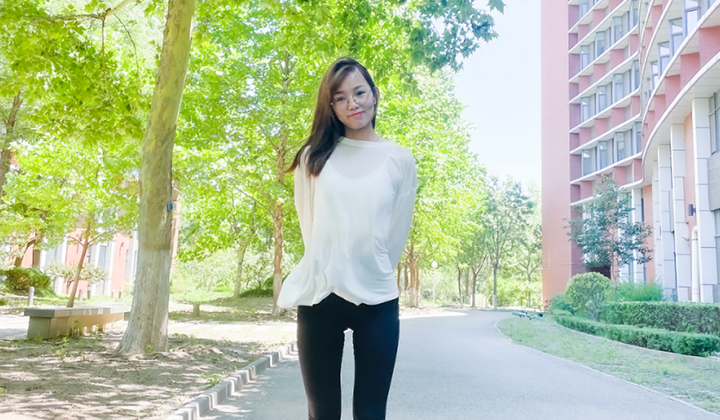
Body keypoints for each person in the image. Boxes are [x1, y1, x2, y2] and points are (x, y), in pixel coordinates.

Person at [277, 56, 418, 420]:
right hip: (320, 295)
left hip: (377, 299)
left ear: (374, 94)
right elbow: (310, 226)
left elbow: (396, 232)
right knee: (322, 413)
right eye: (340, 98)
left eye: (359, 93)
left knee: (371, 413)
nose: (352, 103)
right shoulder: (312, 158)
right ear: (331, 107)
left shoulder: (399, 159)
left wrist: (372, 267)